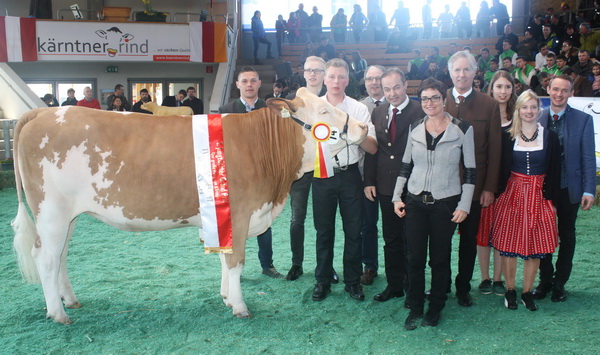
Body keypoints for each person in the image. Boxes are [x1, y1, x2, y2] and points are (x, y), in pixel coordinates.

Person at [394, 78, 476, 330]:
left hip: (446, 204)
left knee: (439, 259)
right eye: (425, 98)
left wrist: (464, 205)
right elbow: (406, 165)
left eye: (435, 98)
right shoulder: (415, 127)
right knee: (415, 258)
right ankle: (416, 306)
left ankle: (436, 306)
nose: (430, 103)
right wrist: (398, 196)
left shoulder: (463, 129)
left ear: (444, 99)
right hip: (416, 202)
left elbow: (471, 171)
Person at [311, 58, 377, 302]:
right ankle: (323, 280)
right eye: (332, 76)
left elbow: (372, 148)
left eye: (341, 77)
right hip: (322, 175)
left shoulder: (359, 109)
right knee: (323, 231)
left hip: (350, 175)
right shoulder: (313, 107)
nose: (336, 81)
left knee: (354, 231)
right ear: (324, 78)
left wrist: (353, 132)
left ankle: (352, 281)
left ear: (348, 80)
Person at [491, 90, 560, 311]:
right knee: (509, 243)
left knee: (536, 246)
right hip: (513, 194)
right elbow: (500, 167)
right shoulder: (507, 135)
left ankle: (527, 292)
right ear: (518, 110)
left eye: (533, 107)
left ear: (539, 110)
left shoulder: (549, 136)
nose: (529, 112)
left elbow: (555, 171)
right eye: (524, 107)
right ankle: (511, 289)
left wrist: (552, 200)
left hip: (540, 195)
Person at [445, 51, 502, 307]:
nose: (461, 75)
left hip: (475, 188)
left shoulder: (489, 105)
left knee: (468, 240)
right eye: (457, 70)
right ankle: (441, 284)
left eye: (466, 69)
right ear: (450, 73)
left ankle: (463, 287)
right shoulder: (439, 99)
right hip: (441, 188)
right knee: (440, 240)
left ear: (475, 72)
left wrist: (489, 187)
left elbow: (495, 151)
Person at [533, 75, 596, 302]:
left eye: (564, 90)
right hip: (543, 190)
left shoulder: (584, 120)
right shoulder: (536, 117)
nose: (559, 94)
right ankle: (545, 280)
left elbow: (588, 158)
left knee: (566, 235)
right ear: (548, 89)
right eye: (555, 89)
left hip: (570, 189)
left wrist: (589, 190)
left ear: (571, 93)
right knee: (542, 236)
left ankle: (560, 283)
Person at [364, 67, 424, 303]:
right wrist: (369, 180)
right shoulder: (378, 112)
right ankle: (394, 284)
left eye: (396, 87)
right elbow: (373, 149)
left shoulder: (420, 111)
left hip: (413, 186)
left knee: (412, 240)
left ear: (406, 84)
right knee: (391, 240)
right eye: (387, 88)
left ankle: (412, 285)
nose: (392, 93)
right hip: (386, 187)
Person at [218, 67, 284, 279]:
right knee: (231, 222)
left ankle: (268, 265)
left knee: (263, 221)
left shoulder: (270, 110)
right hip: (233, 176)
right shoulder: (225, 109)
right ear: (237, 84)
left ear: (258, 84)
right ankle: (232, 266)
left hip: (262, 176)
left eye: (253, 81)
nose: (249, 84)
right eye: (244, 81)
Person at [285, 56, 329, 281]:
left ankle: (326, 267)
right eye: (309, 70)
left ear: (324, 73)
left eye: (318, 70)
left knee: (325, 221)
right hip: (301, 169)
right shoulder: (293, 103)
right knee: (296, 219)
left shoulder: (332, 100)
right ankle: (296, 263)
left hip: (326, 166)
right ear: (303, 73)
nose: (313, 74)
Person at [476, 70, 516, 296]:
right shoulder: (484, 112)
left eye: (507, 87)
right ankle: (485, 278)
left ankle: (499, 278)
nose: (503, 91)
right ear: (492, 88)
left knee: (503, 233)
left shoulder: (519, 116)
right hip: (485, 184)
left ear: (512, 90)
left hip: (509, 185)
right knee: (483, 233)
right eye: (499, 86)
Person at [358, 65, 387, 286]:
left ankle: (399, 267)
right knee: (367, 224)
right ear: (364, 81)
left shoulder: (396, 104)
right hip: (364, 176)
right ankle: (369, 266)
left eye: (378, 78)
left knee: (394, 224)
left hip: (391, 176)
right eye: (369, 79)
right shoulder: (358, 108)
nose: (374, 83)